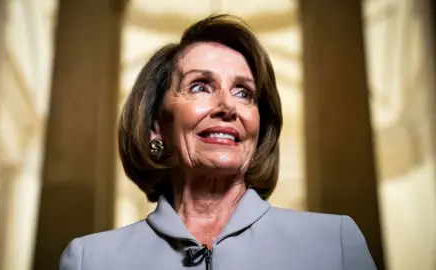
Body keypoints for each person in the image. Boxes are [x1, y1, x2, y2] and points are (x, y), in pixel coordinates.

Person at [59, 14, 376, 270]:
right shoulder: (91, 259)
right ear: (156, 126)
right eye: (199, 86)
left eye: (244, 93)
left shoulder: (334, 244)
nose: (228, 106)